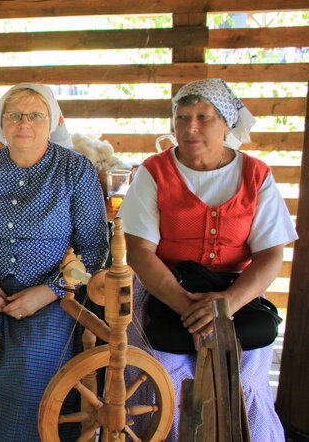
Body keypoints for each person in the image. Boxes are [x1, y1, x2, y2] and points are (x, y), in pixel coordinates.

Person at [119, 78, 297, 441]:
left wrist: (226, 305)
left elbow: (270, 255)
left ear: (226, 123)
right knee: (164, 372)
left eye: (204, 116)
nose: (190, 127)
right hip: (167, 291)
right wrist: (188, 307)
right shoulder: (154, 172)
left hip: (236, 293)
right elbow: (140, 252)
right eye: (181, 117)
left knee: (242, 377)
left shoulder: (256, 175)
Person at [0, 83, 109, 441]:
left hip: (55, 298)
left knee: (31, 366)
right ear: (1, 122)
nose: (23, 123)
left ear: (53, 122)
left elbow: (94, 249)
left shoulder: (75, 170)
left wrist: (48, 292)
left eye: (35, 115)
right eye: (13, 114)